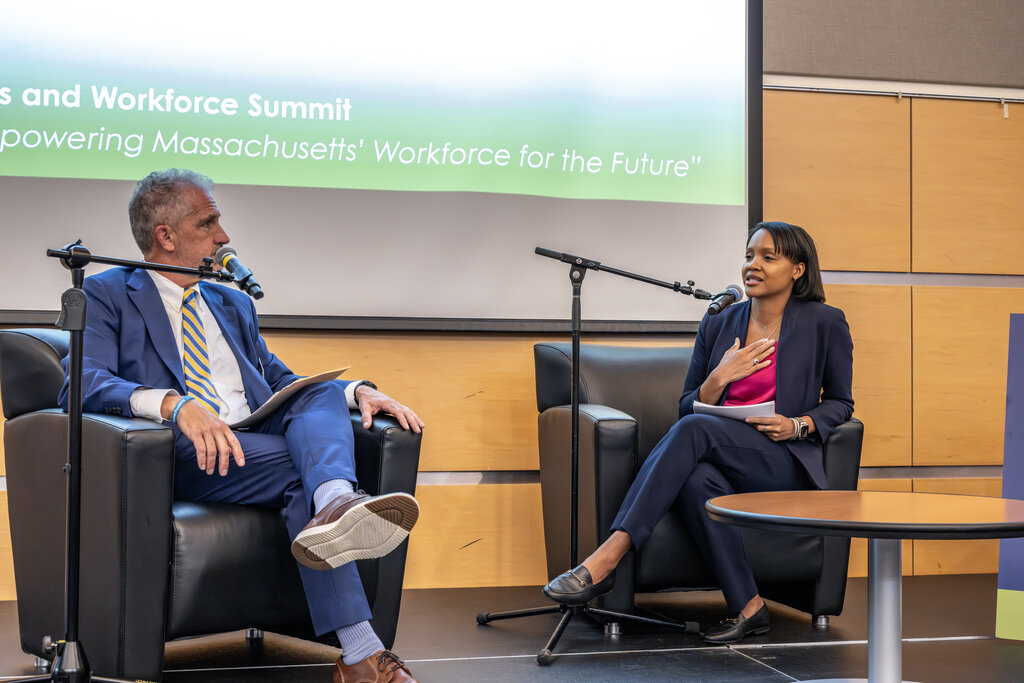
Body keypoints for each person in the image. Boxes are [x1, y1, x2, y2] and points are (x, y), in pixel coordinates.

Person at [59, 169, 425, 683]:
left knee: (322, 392)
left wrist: (357, 392)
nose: (223, 236)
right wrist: (174, 405)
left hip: (253, 435)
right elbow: (81, 383)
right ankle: (359, 641)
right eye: (207, 223)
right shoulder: (107, 293)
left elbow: (279, 380)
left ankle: (335, 507)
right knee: (304, 472)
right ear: (165, 236)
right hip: (183, 448)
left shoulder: (230, 301)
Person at [543, 221, 854, 643]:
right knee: (695, 476)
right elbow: (688, 403)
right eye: (749, 256)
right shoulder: (720, 322)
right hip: (722, 454)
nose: (753, 265)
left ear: (797, 270)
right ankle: (749, 607)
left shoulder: (825, 322)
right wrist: (720, 377)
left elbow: (840, 402)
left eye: (768, 257)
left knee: (694, 430)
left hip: (781, 459)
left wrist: (797, 424)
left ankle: (608, 556)